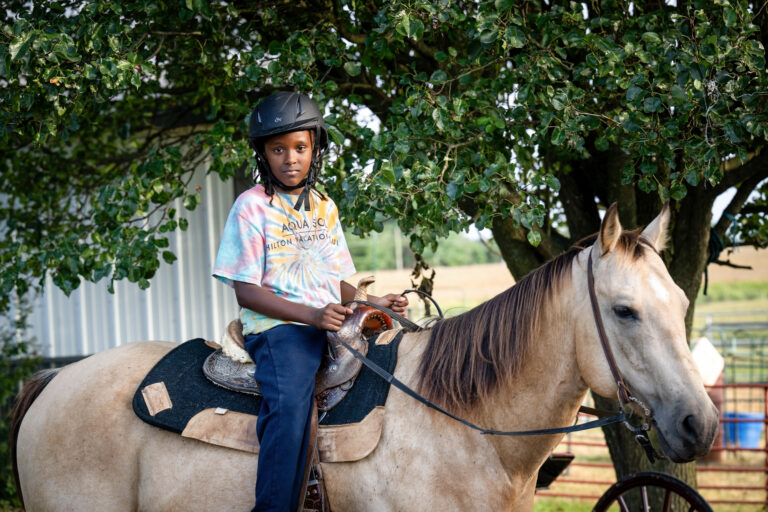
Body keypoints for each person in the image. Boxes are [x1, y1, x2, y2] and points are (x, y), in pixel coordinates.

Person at [212, 91, 408, 512]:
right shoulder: (251, 207)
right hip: (279, 329)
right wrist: (312, 316)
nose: (290, 158)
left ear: (314, 149)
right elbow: (245, 290)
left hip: (329, 322)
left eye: (300, 147)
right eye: (277, 149)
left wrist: (377, 302)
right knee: (290, 407)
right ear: (263, 154)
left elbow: (334, 281)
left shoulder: (324, 206)